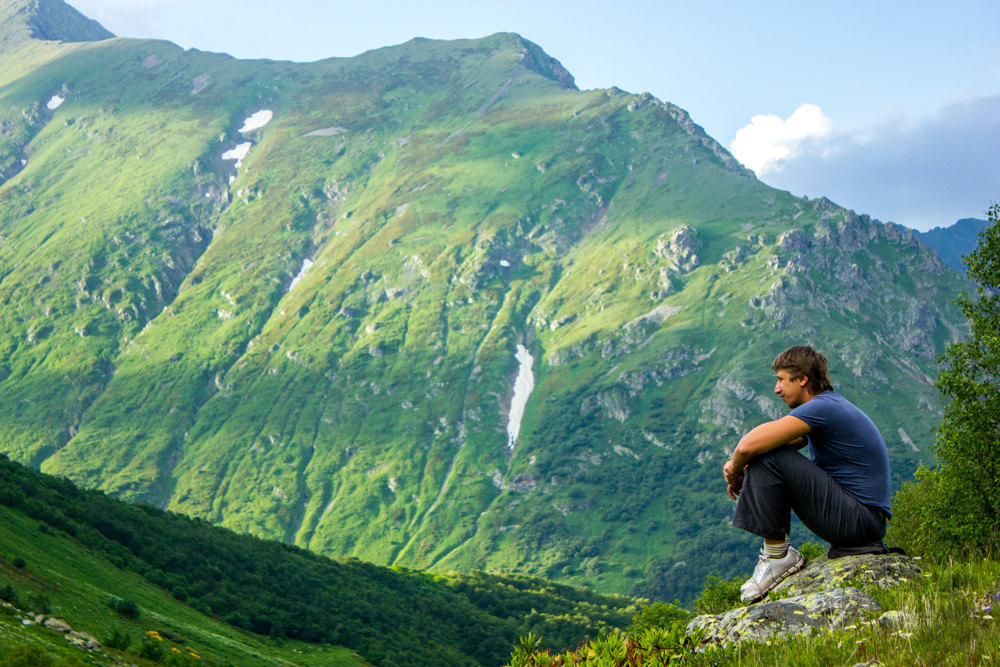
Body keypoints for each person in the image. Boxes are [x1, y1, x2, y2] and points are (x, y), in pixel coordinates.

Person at [722, 346, 892, 603]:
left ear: (802, 379)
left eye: (781, 380)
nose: (777, 389)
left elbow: (748, 446)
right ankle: (777, 555)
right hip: (863, 521)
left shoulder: (822, 408)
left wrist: (735, 470)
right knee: (765, 452)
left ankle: (778, 557)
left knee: (767, 454)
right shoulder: (829, 407)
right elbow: (757, 449)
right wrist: (741, 463)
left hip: (859, 520)